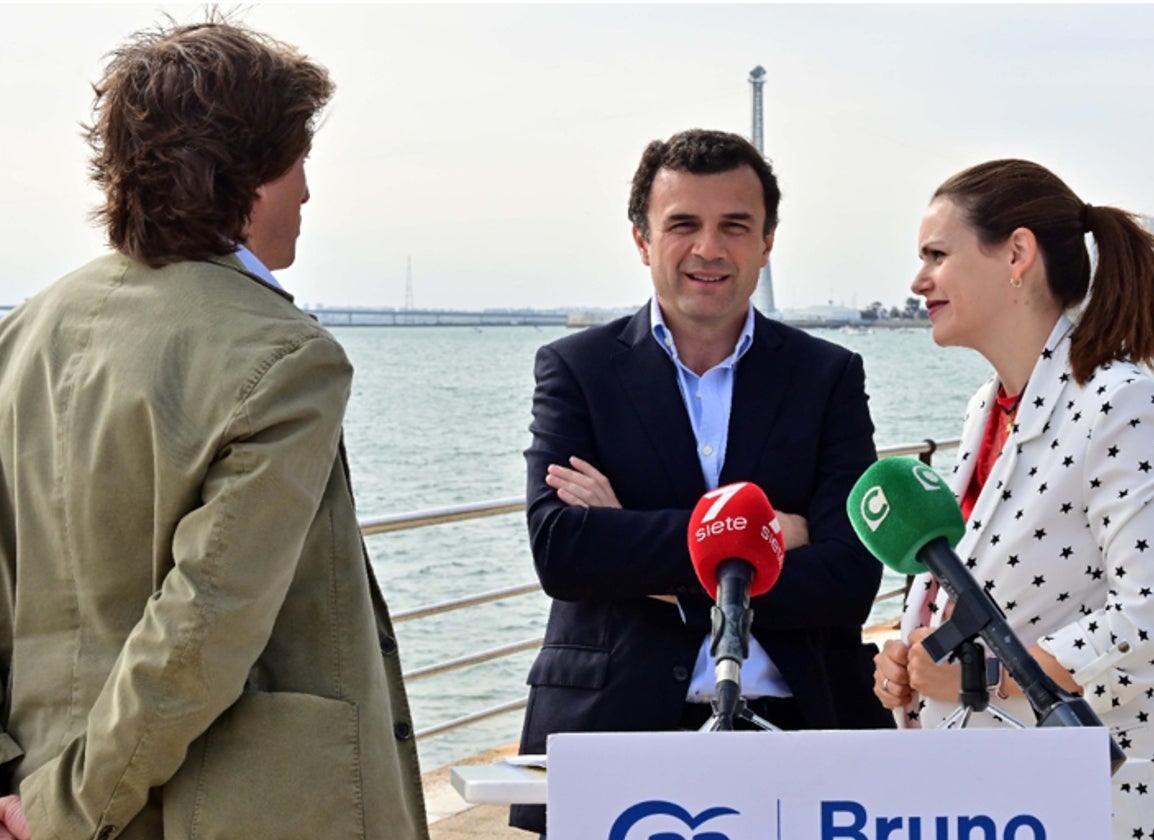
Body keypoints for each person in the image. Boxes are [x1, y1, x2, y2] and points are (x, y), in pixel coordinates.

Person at [0, 19, 429, 840]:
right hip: (217, 810)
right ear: (248, 175)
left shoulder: (24, 335)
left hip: (33, 791)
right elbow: (205, 624)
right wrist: (70, 807)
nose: (307, 190)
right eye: (298, 158)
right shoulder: (285, 356)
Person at [511, 128, 888, 835]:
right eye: (683, 224)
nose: (709, 249)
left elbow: (848, 579)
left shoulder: (827, 376)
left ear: (767, 242)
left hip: (801, 731)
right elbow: (562, 551)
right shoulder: (576, 370)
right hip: (613, 736)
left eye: (734, 226)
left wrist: (632, 537)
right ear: (642, 239)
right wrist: (764, 539)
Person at [877, 158, 1154, 838]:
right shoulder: (983, 411)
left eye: (937, 254)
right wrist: (906, 660)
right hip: (992, 799)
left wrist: (982, 677)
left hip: (1098, 799)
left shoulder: (1121, 402)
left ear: (1017, 255)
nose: (918, 281)